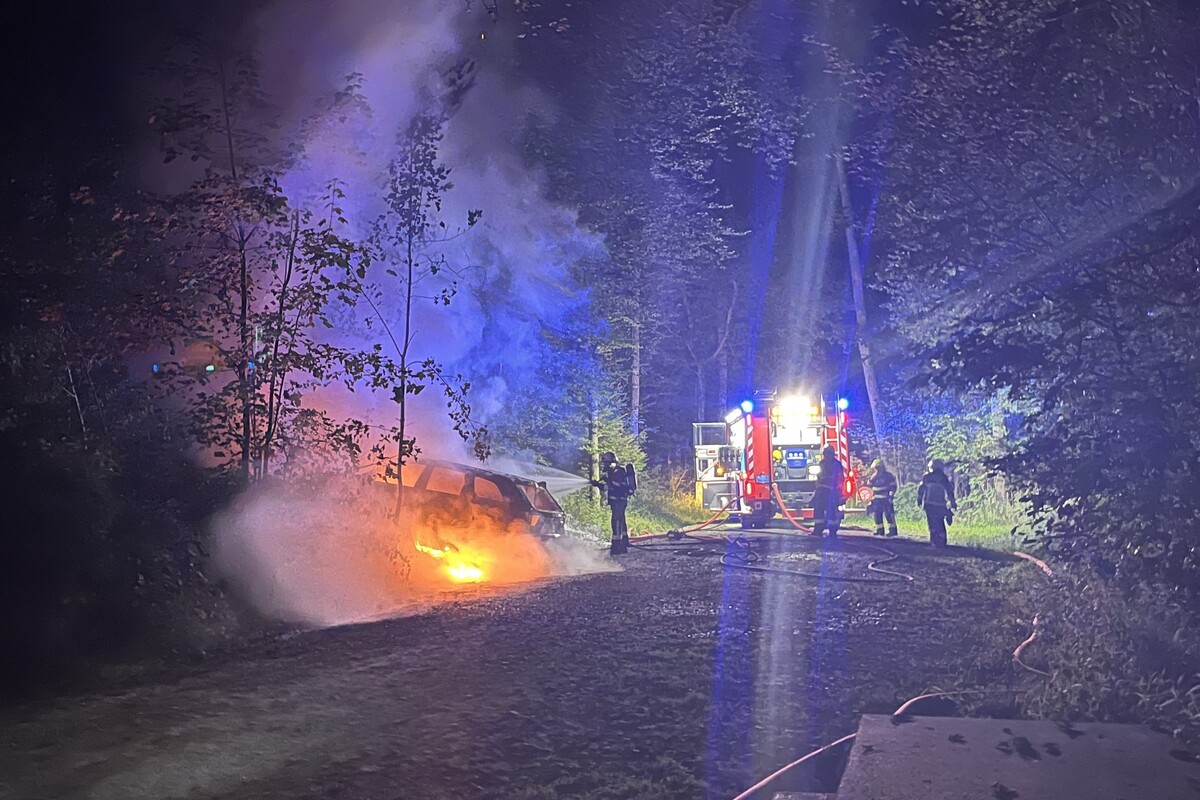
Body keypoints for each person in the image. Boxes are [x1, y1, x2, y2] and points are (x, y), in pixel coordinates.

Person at [593, 452, 635, 555]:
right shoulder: (612, 473)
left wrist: (609, 481)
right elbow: (609, 487)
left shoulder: (619, 472)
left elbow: (620, 486)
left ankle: (617, 546)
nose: (604, 465)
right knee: (621, 520)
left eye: (606, 463)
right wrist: (598, 485)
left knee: (616, 522)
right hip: (616, 500)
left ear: (612, 463)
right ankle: (624, 543)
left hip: (619, 500)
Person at [917, 459, 957, 548]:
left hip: (929, 504)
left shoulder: (926, 477)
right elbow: (950, 491)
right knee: (940, 522)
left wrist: (919, 499)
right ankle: (942, 541)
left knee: (932, 522)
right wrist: (953, 502)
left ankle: (934, 541)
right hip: (940, 504)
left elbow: (921, 489)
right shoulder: (944, 478)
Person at [811, 446, 845, 538]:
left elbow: (839, 478)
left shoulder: (827, 463)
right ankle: (827, 531)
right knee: (823, 510)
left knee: (827, 511)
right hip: (826, 491)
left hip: (828, 491)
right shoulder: (835, 464)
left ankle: (824, 530)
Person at [868, 458, 899, 537]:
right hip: (876, 499)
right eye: (875, 468)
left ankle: (893, 531)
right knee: (877, 515)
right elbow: (869, 486)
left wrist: (891, 496)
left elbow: (893, 486)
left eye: (877, 468)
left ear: (881, 467)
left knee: (889, 515)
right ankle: (880, 530)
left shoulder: (888, 476)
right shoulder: (874, 476)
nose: (876, 470)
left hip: (886, 498)